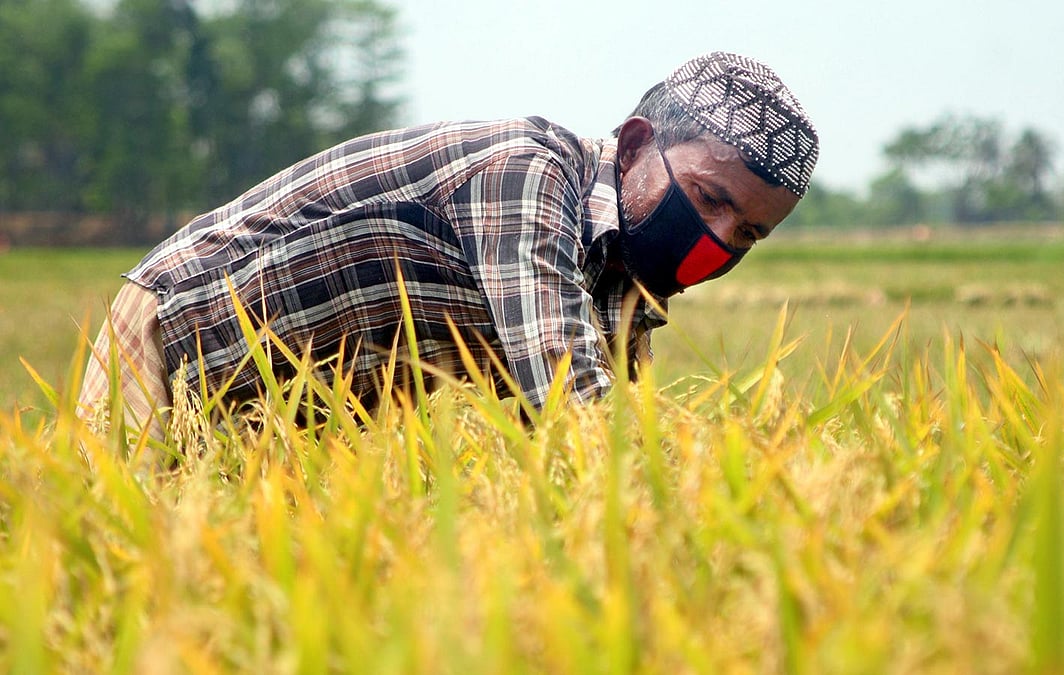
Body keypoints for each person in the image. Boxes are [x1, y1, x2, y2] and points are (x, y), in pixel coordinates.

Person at [77, 51, 819, 441]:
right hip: (175, 330)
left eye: (748, 232)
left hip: (307, 408)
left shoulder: (621, 276)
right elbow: (577, 408)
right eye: (710, 198)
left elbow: (613, 454)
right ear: (633, 147)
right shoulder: (527, 177)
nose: (718, 239)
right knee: (109, 567)